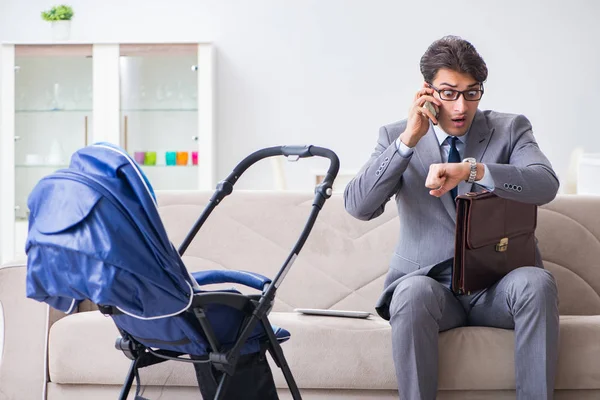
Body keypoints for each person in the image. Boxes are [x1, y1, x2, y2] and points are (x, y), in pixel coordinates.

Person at [344, 35, 560, 400]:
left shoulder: (510, 129)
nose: (461, 107)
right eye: (449, 93)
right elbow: (358, 206)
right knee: (410, 293)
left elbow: (545, 185)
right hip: (431, 289)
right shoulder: (395, 136)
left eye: (471, 93)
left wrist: (472, 171)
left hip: (499, 287)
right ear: (427, 92)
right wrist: (408, 141)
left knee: (537, 283)